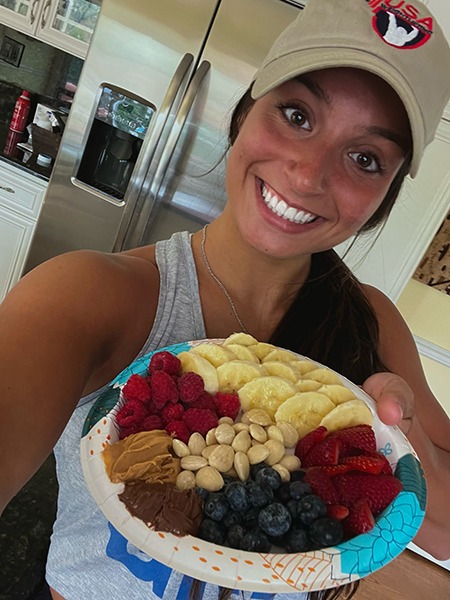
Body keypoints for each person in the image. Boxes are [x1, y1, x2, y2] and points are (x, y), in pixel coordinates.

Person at [1, 0, 450, 598]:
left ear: (383, 200)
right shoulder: (88, 294)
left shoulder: (371, 321)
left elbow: (442, 532)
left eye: (365, 158)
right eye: (297, 114)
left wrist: (396, 435)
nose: (309, 174)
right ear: (244, 114)